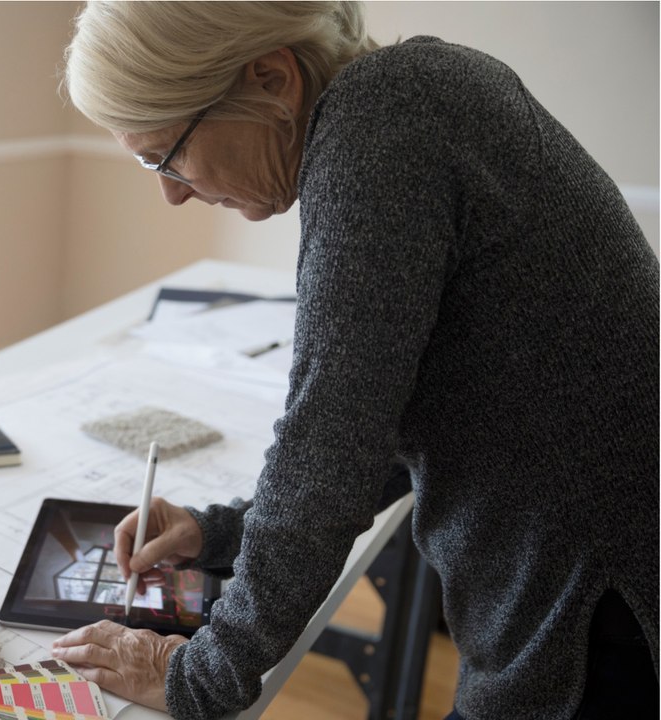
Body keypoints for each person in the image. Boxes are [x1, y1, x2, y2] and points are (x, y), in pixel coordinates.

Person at [50, 2, 659, 719]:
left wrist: (200, 675)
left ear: (272, 79)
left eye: (166, 154)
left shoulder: (383, 126)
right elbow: (404, 422)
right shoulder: (411, 94)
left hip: (601, 605)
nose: (172, 192)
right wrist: (220, 531)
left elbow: (327, 449)